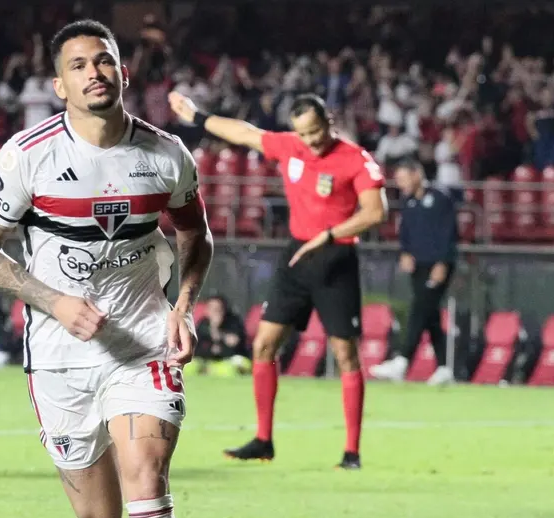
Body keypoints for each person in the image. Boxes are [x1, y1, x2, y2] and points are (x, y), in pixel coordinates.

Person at [0, 20, 211, 518]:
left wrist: (183, 303)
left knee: (148, 480)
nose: (94, 72)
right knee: (99, 517)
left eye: (104, 61)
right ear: (58, 83)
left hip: (142, 341)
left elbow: (196, 234)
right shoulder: (28, 155)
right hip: (59, 354)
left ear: (123, 72)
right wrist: (52, 300)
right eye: (79, 65)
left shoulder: (165, 155)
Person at [169, 90, 386, 470]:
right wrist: (200, 118)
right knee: (265, 344)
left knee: (345, 353)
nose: (311, 140)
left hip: (335, 259)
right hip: (297, 256)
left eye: (317, 131)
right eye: (303, 133)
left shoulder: (355, 159)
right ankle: (263, 440)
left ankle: (351, 452)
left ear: (329, 123)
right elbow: (245, 133)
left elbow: (375, 212)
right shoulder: (290, 148)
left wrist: (332, 234)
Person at [370, 159, 457, 385]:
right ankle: (444, 367)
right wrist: (405, 253)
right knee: (430, 315)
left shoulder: (439, 199)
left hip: (436, 265)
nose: (400, 184)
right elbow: (405, 233)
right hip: (417, 266)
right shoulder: (408, 204)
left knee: (420, 308)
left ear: (417, 174)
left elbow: (449, 234)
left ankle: (402, 360)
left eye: (403, 178)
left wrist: (443, 263)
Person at [192, 295, 250, 375]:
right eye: (212, 309)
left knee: (237, 365)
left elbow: (235, 346)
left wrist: (218, 333)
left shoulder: (233, 321)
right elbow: (197, 350)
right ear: (207, 310)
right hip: (209, 361)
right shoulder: (203, 324)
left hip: (229, 360)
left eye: (218, 309)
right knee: (191, 366)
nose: (216, 312)